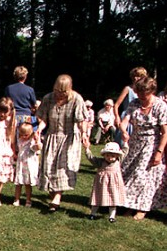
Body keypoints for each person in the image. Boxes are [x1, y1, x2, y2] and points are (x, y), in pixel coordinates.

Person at [119, 76, 167, 220]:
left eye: (144, 94)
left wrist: (159, 152)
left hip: (151, 144)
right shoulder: (134, 103)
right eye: (139, 93)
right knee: (128, 173)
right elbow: (125, 121)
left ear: (152, 91)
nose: (141, 96)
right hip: (135, 143)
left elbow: (166, 132)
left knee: (142, 176)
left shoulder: (160, 106)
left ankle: (142, 207)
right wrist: (123, 131)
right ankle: (129, 204)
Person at [36, 74, 89, 211]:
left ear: (69, 89)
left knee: (61, 168)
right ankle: (54, 195)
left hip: (68, 138)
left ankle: (56, 198)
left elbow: (81, 120)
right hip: (52, 136)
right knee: (48, 167)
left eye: (63, 91)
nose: (60, 94)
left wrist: (84, 134)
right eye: (58, 91)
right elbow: (43, 119)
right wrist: (39, 129)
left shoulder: (76, 99)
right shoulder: (48, 98)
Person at [87, 142, 126, 222]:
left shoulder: (118, 161)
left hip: (114, 185)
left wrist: (125, 142)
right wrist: (87, 149)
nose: (110, 158)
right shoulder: (100, 162)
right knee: (97, 198)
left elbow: (125, 151)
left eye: (112, 156)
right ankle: (92, 214)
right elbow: (92, 158)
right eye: (107, 155)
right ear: (104, 155)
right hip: (102, 184)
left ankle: (112, 216)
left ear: (117, 156)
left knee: (113, 199)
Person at [113, 66, 149, 148]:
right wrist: (117, 117)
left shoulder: (145, 91)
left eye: (139, 76)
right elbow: (116, 105)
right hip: (127, 118)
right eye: (134, 76)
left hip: (139, 118)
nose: (136, 78)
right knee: (123, 143)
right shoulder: (128, 89)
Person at [12, 122, 40, 207]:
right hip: (21, 164)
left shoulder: (32, 142)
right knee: (18, 183)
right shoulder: (20, 140)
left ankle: (28, 200)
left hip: (29, 165)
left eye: (26, 135)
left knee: (28, 184)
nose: (24, 136)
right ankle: (16, 199)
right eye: (22, 134)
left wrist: (37, 141)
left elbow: (37, 148)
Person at [5, 66, 38, 133]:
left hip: (12, 116)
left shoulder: (9, 88)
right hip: (26, 117)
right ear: (25, 76)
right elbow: (35, 105)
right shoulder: (30, 89)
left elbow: (6, 102)